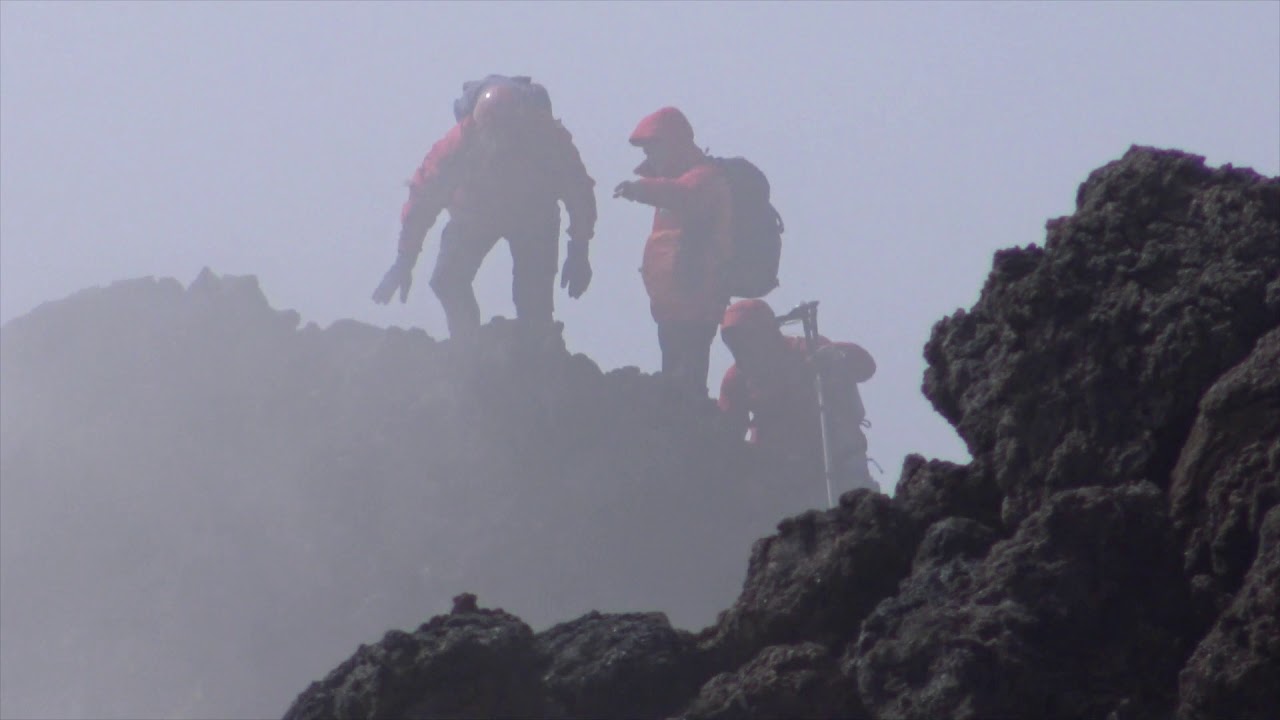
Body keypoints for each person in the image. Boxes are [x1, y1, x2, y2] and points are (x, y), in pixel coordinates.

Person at [372, 78, 597, 341]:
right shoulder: (457, 144)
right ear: (478, 125)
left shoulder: (546, 137)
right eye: (493, 133)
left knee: (533, 298)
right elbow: (424, 197)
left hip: (534, 216)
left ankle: (537, 360)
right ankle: (467, 350)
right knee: (447, 280)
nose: (500, 143)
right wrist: (405, 259)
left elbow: (578, 189)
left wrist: (580, 248)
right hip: (475, 212)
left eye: (507, 134)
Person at [614, 107, 732, 395]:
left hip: (697, 301)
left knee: (688, 378)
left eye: (653, 148)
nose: (649, 157)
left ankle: (689, 424)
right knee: (673, 377)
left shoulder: (704, 178)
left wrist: (640, 189)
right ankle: (679, 420)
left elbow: (684, 195)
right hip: (671, 304)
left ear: (673, 144)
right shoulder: (672, 182)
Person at [717, 299, 880, 498]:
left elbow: (866, 366)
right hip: (780, 472)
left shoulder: (808, 350)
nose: (744, 345)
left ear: (767, 333)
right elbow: (728, 432)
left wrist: (834, 358)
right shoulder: (738, 379)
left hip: (835, 461)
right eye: (736, 340)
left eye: (748, 336)